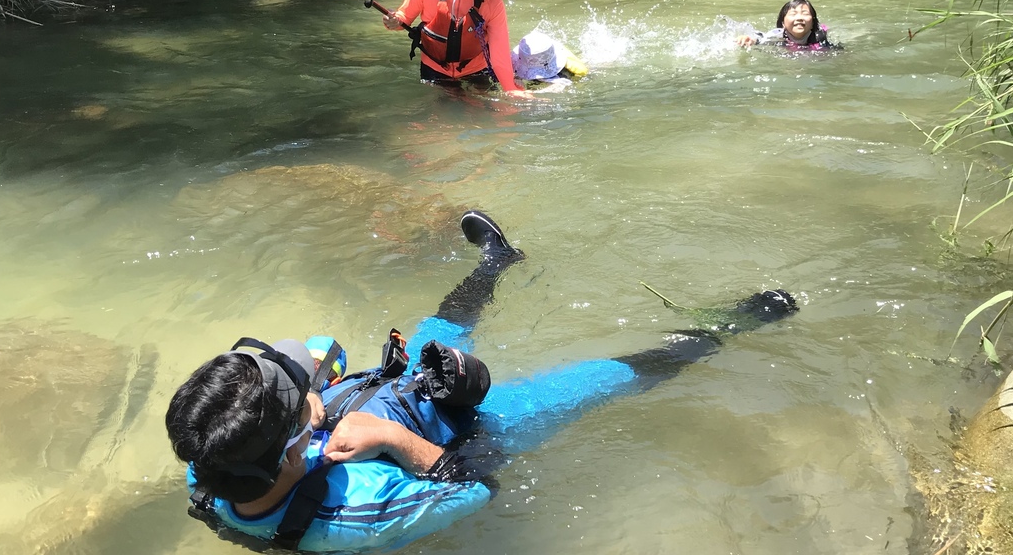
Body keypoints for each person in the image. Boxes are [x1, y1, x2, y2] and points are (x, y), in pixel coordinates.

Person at [166, 210, 800, 553]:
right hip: (460, 435)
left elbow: (306, 371)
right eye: (298, 392)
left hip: (380, 400)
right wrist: (393, 438)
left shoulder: (208, 454)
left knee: (437, 328)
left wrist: (319, 380)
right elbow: (481, 489)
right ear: (294, 444)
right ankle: (735, 327)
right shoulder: (360, 514)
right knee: (603, 379)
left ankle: (498, 261)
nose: (305, 378)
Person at [381, 0, 532, 98]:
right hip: (435, 67)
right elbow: (404, 19)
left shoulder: (494, 4)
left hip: (477, 69)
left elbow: (500, 54)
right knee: (442, 117)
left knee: (485, 114)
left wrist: (511, 89)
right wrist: (394, 21)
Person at [736, 0, 834, 50]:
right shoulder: (777, 37)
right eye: (793, 14)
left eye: (805, 13)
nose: (799, 18)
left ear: (812, 23)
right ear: (783, 23)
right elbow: (761, 38)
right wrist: (750, 40)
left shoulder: (820, 38)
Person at [511, 30, 588, 90]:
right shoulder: (528, 50)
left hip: (553, 64)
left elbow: (562, 85)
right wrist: (517, 77)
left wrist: (539, 92)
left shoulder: (572, 67)